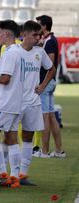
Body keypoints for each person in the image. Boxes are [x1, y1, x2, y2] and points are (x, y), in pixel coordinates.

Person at [17, 20, 56, 184]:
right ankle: (4, 172)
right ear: (24, 35)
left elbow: (51, 69)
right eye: (35, 35)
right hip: (15, 102)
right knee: (6, 137)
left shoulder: (40, 52)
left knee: (28, 137)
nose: (38, 38)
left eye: (39, 35)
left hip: (32, 102)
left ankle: (22, 175)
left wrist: (42, 86)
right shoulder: (14, 52)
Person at [0, 20, 22, 188]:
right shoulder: (19, 51)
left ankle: (2, 172)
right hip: (15, 103)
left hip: (5, 103)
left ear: (6, 34)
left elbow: (5, 78)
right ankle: (14, 175)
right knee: (12, 138)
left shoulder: (9, 53)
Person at [35, 15, 66, 158]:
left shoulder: (50, 41)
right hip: (49, 82)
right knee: (51, 116)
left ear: (45, 26)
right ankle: (59, 150)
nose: (37, 27)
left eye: (38, 25)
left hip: (46, 82)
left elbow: (50, 63)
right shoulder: (48, 40)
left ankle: (45, 151)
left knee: (45, 116)